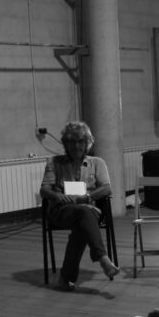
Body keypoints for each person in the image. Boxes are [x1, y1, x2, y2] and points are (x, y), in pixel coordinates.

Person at [39, 121, 119, 291]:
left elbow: (107, 188)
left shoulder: (97, 162)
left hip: (89, 210)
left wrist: (87, 197)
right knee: (83, 216)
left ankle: (66, 278)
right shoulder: (54, 162)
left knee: (82, 220)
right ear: (65, 143)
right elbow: (44, 190)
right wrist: (58, 196)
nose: (76, 146)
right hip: (62, 211)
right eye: (71, 141)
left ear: (87, 142)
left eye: (80, 141)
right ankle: (103, 258)